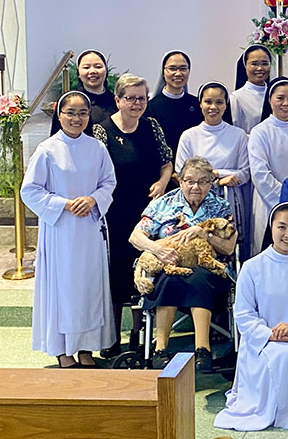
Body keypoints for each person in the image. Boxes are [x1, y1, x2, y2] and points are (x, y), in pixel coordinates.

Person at [214, 203, 288, 433]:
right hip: (261, 344)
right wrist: (270, 334)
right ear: (271, 227)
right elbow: (244, 313)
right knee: (282, 356)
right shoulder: (252, 267)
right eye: (282, 227)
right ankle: (286, 413)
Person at [22, 90, 117, 368]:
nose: (77, 119)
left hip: (89, 228)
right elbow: (29, 191)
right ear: (59, 115)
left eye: (83, 113)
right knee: (65, 289)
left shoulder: (97, 147)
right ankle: (63, 350)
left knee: (90, 287)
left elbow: (108, 183)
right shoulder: (47, 150)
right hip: (61, 232)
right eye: (71, 113)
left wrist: (93, 199)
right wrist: (64, 204)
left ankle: (87, 348)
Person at [128, 157, 236, 371]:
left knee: (199, 279)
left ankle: (202, 349)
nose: (196, 186)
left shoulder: (220, 206)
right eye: (190, 180)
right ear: (180, 181)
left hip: (207, 268)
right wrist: (159, 249)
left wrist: (204, 234)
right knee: (169, 279)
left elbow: (230, 247)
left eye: (203, 181)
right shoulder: (164, 203)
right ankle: (160, 348)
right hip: (168, 263)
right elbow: (135, 237)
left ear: (211, 183)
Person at [92, 73, 173, 357]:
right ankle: (111, 338)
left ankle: (140, 333)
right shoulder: (101, 131)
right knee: (115, 275)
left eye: (142, 98)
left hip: (148, 213)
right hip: (115, 213)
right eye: (131, 98)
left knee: (144, 270)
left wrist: (163, 182)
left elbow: (166, 161)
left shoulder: (151, 126)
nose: (137, 103)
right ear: (118, 100)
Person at [176, 82, 250, 256]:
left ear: (226, 105)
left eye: (219, 102)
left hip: (229, 197)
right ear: (200, 103)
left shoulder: (238, 135)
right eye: (208, 102)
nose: (213, 107)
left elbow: (245, 172)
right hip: (195, 200)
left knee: (229, 248)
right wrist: (216, 178)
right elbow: (181, 171)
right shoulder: (189, 135)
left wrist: (218, 176)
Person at [248, 77, 288, 249]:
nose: (286, 103)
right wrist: (284, 198)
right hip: (268, 200)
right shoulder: (259, 132)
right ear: (270, 100)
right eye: (280, 98)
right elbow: (260, 173)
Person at [145, 50, 202, 159]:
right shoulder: (151, 108)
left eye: (183, 68)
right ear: (163, 72)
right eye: (172, 68)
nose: (178, 73)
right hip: (164, 168)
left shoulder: (197, 105)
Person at [49, 49, 117, 135]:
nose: (92, 71)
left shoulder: (116, 101)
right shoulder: (69, 101)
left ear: (106, 71)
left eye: (98, 66)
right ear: (78, 73)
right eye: (86, 67)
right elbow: (56, 136)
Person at [230, 44, 272, 134]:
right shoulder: (237, 98)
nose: (260, 68)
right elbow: (234, 131)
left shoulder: (275, 95)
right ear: (245, 66)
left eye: (265, 63)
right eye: (254, 64)